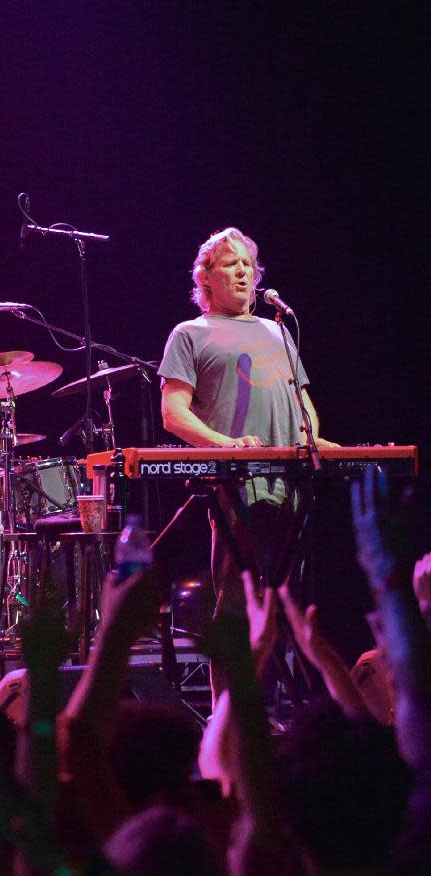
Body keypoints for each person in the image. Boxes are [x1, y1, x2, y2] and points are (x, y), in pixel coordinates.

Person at [158, 226, 337, 695]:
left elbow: (304, 406)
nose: (242, 272)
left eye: (248, 265)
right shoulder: (190, 334)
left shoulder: (279, 330)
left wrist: (313, 440)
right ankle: (228, 717)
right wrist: (223, 444)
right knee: (236, 601)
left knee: (285, 599)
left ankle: (275, 708)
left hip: (291, 478)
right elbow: (173, 414)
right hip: (238, 482)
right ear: (206, 279)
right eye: (230, 264)